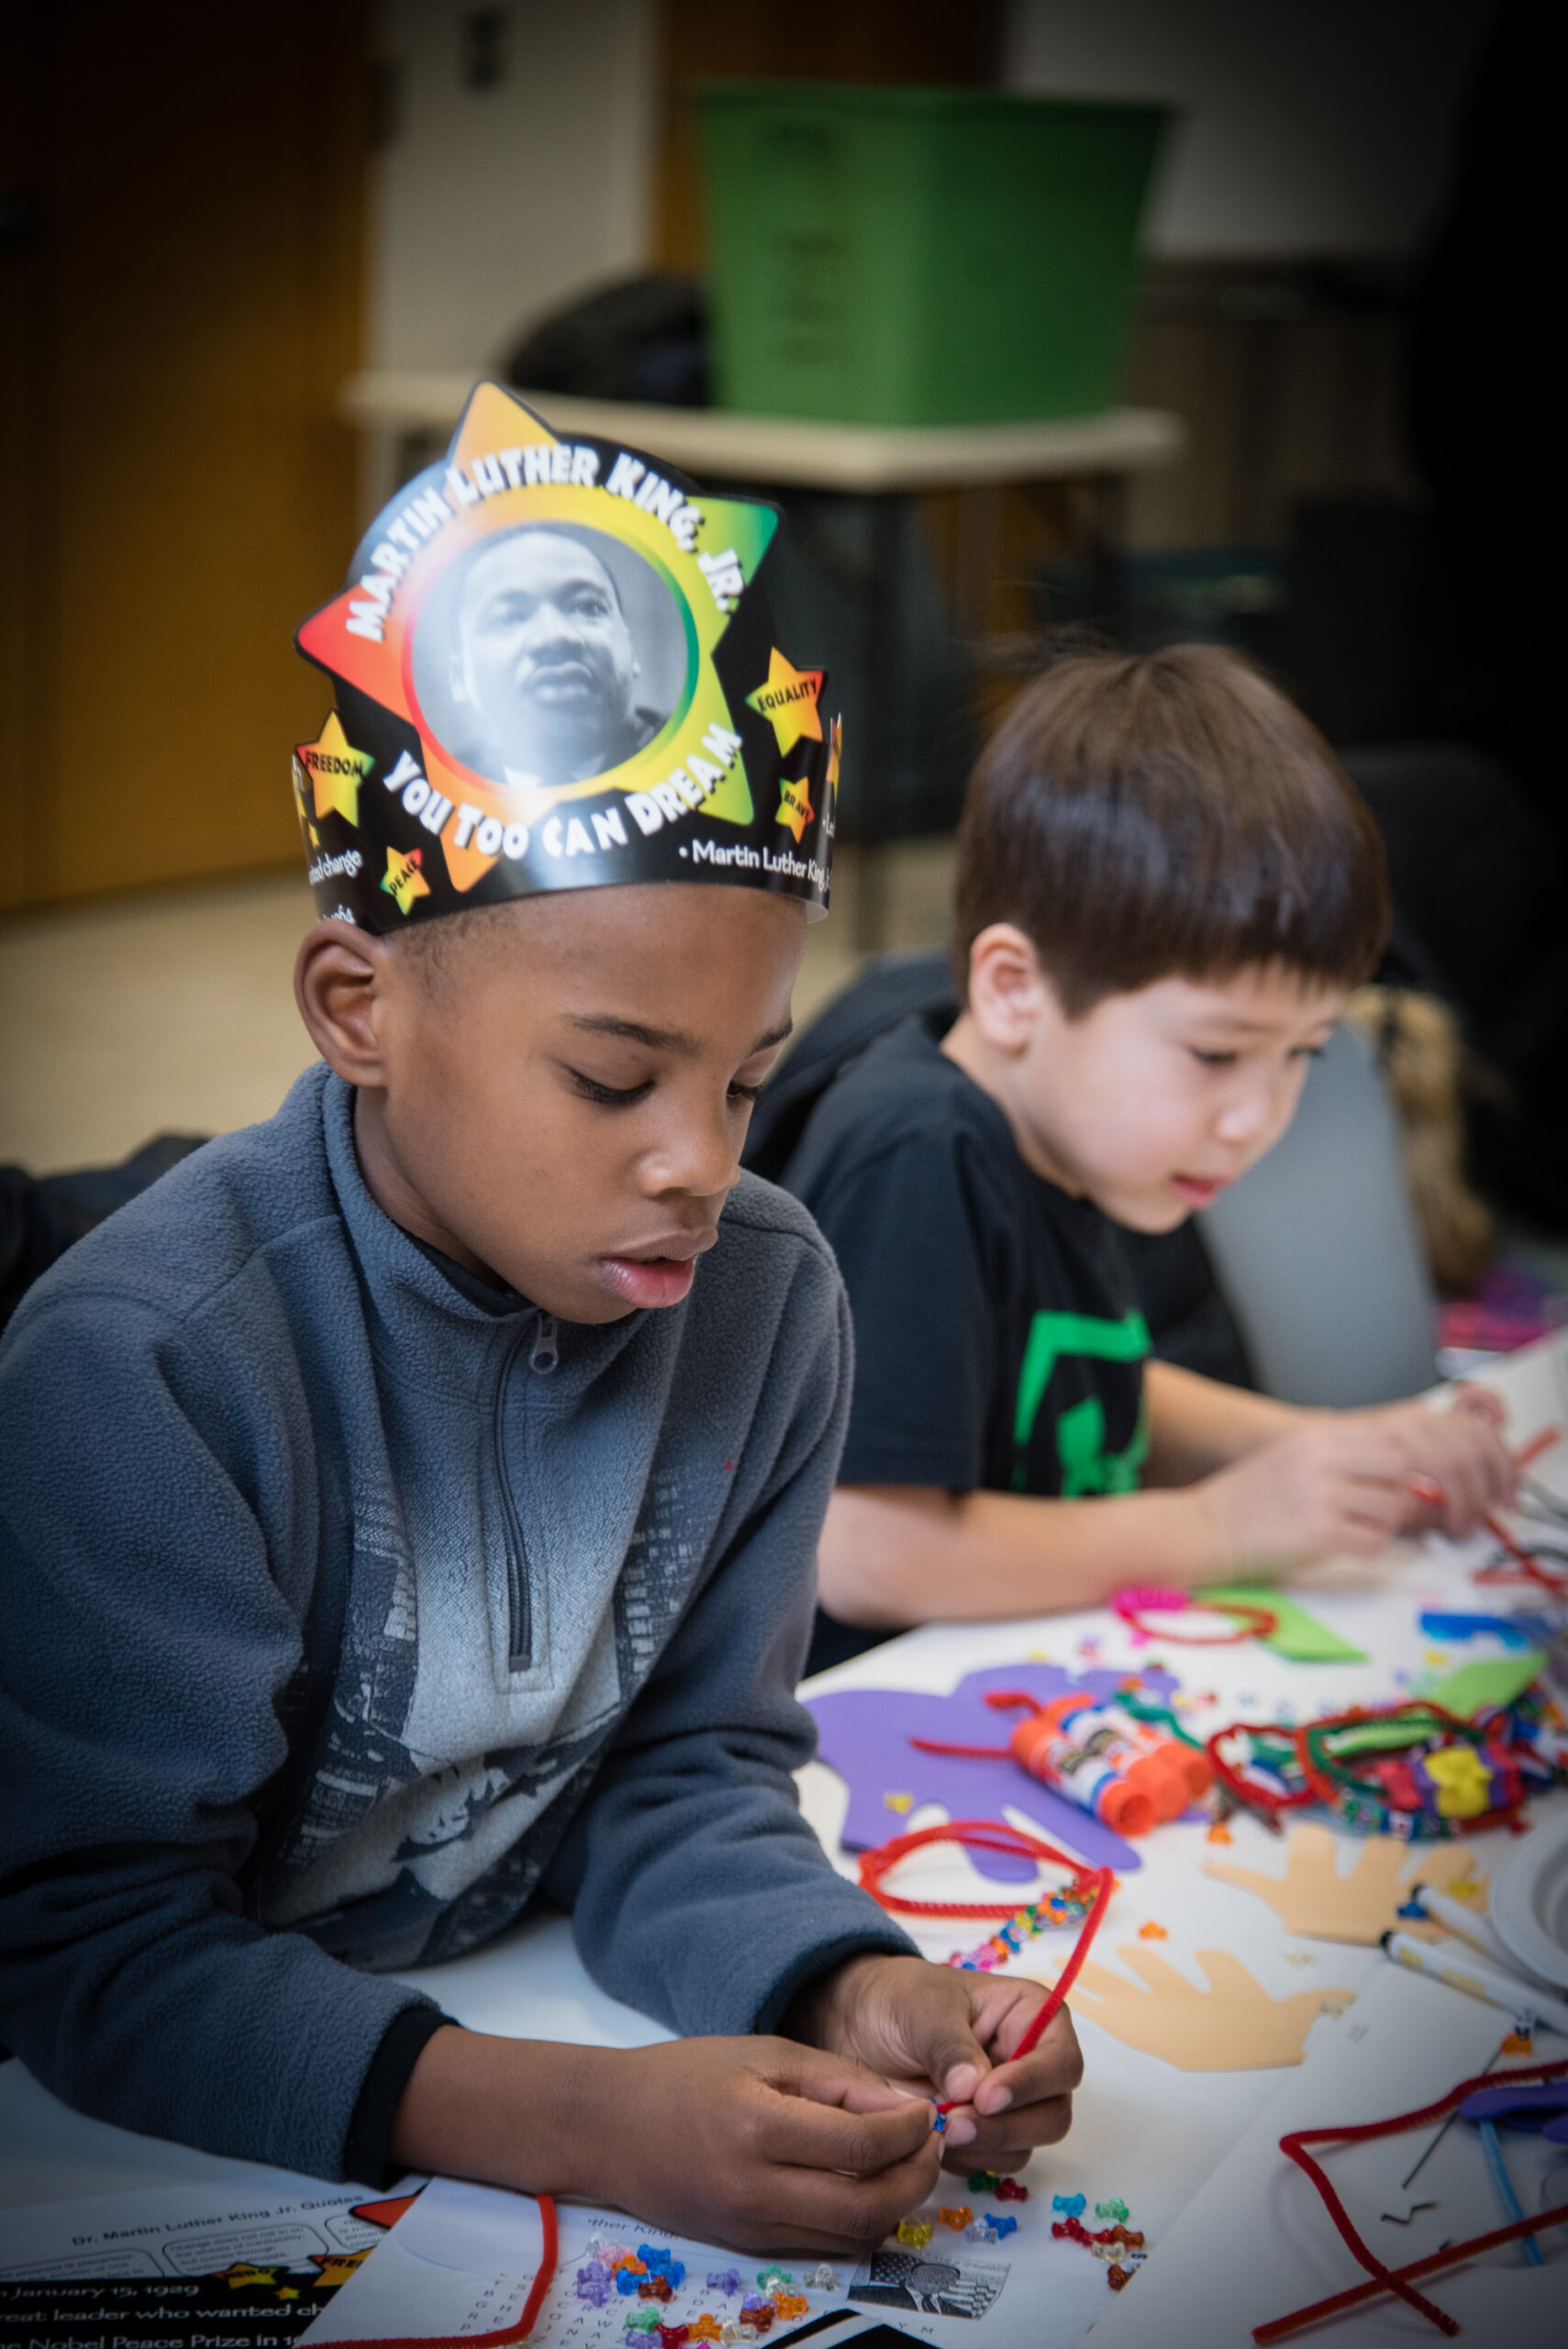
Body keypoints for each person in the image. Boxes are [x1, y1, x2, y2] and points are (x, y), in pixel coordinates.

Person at [0, 408, 1080, 2249]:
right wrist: (571, 2115)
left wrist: (836, 1978)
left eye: (749, 1077)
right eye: (609, 1077)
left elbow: (675, 1769)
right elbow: (90, 1948)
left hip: (518, 2004)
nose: (697, 1159)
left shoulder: (768, 1297)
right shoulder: (144, 1367)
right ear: (357, 1007)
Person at [777, 647, 1516, 1665]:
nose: (1255, 1116)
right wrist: (1221, 1527)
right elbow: (865, 1548)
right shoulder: (919, 1149)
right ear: (1013, 989)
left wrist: (1315, 1450)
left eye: (1299, 1052)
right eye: (1215, 1053)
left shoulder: (1076, 1138)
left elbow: (1079, 1368)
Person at [448, 525, 667, 787]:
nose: (554, 636)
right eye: (507, 617)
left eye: (588, 606)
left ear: (631, 652)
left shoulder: (700, 756)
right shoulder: (435, 786)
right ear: (459, 678)